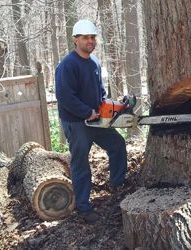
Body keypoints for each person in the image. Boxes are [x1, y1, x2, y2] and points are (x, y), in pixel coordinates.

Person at [55, 19, 127, 224]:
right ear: (75, 40)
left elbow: (100, 92)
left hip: (96, 119)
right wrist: (87, 112)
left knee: (117, 144)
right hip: (77, 123)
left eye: (93, 37)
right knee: (80, 164)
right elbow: (65, 96)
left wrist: (109, 106)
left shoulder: (94, 62)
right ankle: (84, 207)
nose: (90, 41)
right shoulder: (68, 65)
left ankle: (118, 184)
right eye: (85, 37)